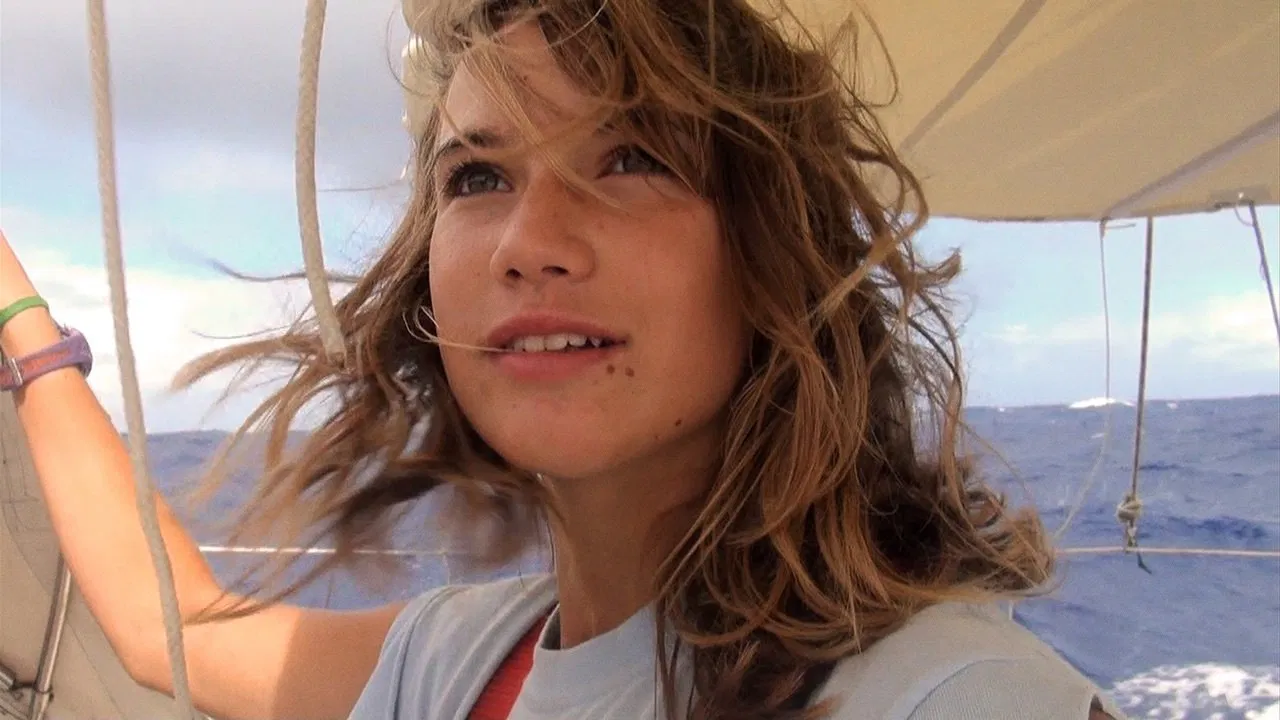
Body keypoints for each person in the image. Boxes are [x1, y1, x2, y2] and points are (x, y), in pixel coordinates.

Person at [0, 1, 1127, 718]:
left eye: (631, 157)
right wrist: (21, 319)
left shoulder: (957, 697)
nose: (528, 241)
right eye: (477, 176)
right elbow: (167, 630)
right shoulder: (455, 663)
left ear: (771, 251)